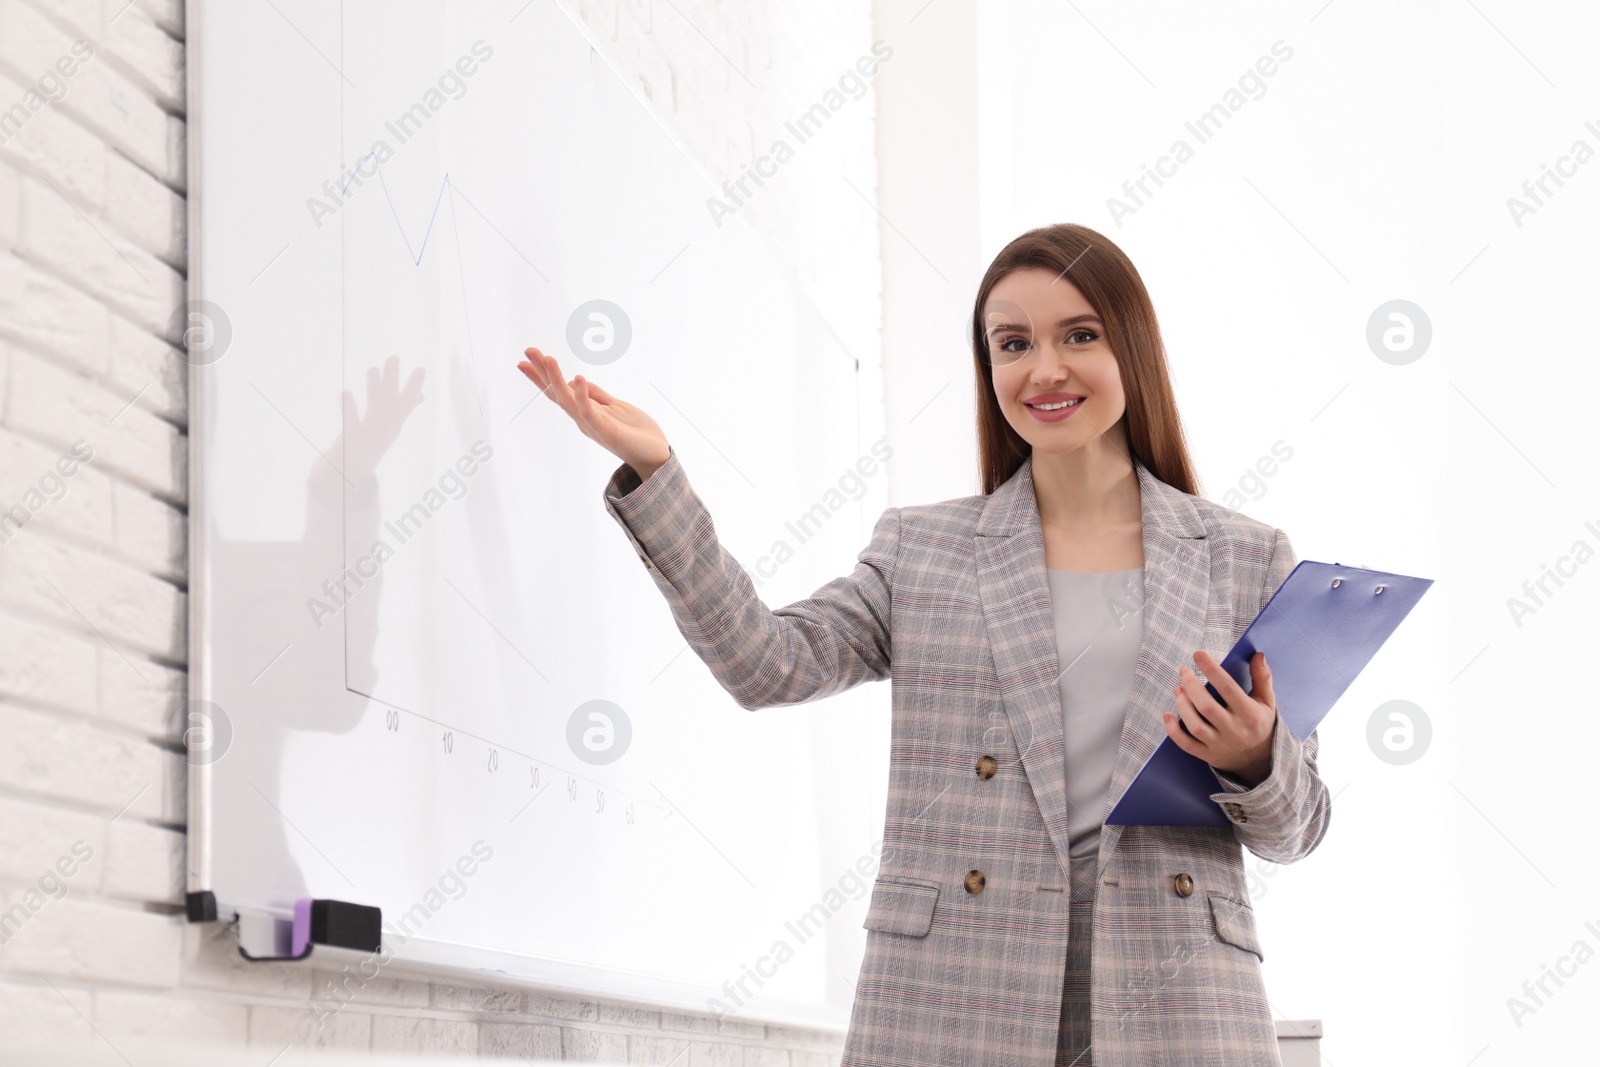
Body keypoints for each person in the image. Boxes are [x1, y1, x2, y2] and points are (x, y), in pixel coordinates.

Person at [516, 222, 1330, 1067]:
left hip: (1177, 1001)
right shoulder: (924, 550)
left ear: (1132, 347)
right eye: (1013, 342)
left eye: (1078, 335)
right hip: (957, 989)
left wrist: (1256, 754)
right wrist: (657, 476)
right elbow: (766, 662)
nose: (1043, 369)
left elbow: (1299, 828)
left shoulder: (1245, 556)